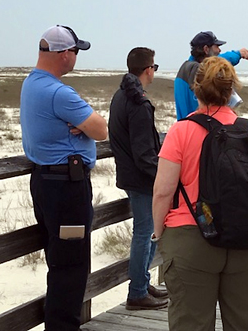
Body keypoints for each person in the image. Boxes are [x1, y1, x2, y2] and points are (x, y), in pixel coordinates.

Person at [152, 56, 248, 331]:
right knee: (247, 322)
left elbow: (162, 192)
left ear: (196, 89)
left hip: (191, 237)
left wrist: (159, 235)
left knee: (191, 324)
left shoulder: (181, 131)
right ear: (231, 91)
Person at [20, 25, 108, 331]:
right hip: (67, 188)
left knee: (59, 258)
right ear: (64, 54)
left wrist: (79, 123)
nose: (76, 58)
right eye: (76, 51)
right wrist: (84, 124)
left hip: (45, 183)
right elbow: (101, 129)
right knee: (71, 264)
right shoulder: (58, 92)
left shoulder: (32, 83)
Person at [108, 47, 168, 311]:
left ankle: (142, 283)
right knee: (145, 234)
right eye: (154, 67)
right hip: (142, 179)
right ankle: (137, 292)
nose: (154, 71)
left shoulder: (120, 96)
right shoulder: (138, 103)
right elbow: (145, 154)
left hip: (130, 175)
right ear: (148, 69)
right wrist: (163, 177)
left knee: (146, 233)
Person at [174, 30, 248, 120]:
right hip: (197, 127)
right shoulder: (195, 69)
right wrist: (237, 54)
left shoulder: (186, 67)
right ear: (206, 49)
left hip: (187, 126)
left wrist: (237, 54)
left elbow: (216, 62)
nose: (219, 50)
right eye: (216, 46)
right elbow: (216, 63)